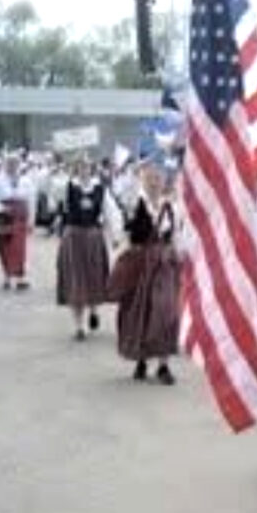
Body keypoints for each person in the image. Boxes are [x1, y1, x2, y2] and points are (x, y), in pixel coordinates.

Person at [106, 161, 181, 385]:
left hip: (164, 266)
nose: (154, 183)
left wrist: (177, 257)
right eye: (150, 179)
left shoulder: (171, 207)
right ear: (143, 181)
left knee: (166, 312)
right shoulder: (135, 203)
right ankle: (142, 360)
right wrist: (135, 169)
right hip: (140, 265)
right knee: (140, 312)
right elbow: (123, 193)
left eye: (158, 179)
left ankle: (164, 364)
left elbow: (177, 236)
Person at [56, 156, 122, 340]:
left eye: (86, 167)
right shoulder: (67, 186)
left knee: (93, 278)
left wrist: (116, 235)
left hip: (93, 236)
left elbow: (111, 211)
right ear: (76, 169)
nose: (84, 170)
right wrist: (63, 175)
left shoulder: (100, 188)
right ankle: (79, 326)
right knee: (75, 281)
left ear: (91, 169)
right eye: (80, 167)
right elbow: (53, 196)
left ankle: (93, 310)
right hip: (73, 238)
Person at [0, 154, 37, 291]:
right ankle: (7, 276)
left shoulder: (26, 180)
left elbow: (31, 201)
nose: (12, 166)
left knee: (19, 248)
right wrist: (1, 208)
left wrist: (31, 221)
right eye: (10, 163)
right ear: (6, 164)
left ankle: (20, 279)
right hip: (3, 217)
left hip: (20, 217)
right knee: (2, 247)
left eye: (15, 163)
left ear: (19, 165)